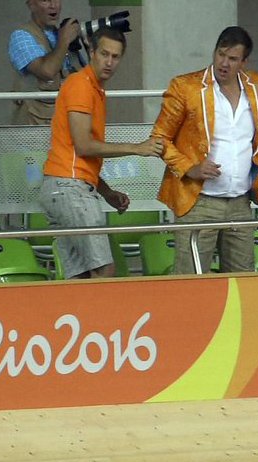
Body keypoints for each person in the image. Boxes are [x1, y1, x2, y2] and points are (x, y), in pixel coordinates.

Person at [38, 27, 163, 279]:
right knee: (104, 270)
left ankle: (76, 319)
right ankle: (102, 319)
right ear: (92, 52)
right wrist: (137, 148)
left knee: (79, 276)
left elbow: (79, 155)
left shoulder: (92, 88)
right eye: (104, 54)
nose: (109, 62)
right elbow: (83, 145)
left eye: (115, 57)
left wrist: (106, 192)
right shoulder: (81, 86)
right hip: (69, 188)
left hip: (63, 187)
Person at [151, 26, 258, 274]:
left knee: (243, 281)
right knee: (191, 284)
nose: (224, 63)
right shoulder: (185, 87)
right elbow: (159, 138)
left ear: (244, 62)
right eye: (221, 55)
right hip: (199, 201)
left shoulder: (257, 85)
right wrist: (190, 168)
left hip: (240, 202)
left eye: (232, 59)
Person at [8, 0, 82, 125]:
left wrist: (90, 46)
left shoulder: (62, 35)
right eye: (45, 1)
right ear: (31, 5)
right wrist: (64, 41)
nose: (53, 5)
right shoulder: (21, 36)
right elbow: (47, 71)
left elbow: (86, 77)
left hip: (68, 120)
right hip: (36, 126)